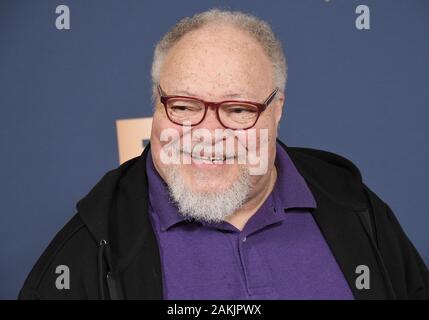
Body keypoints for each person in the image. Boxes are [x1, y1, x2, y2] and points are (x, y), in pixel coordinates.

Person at [19, 9, 428, 300]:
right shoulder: (86, 249)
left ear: (278, 109)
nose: (208, 134)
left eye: (237, 110)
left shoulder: (355, 207)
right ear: (157, 105)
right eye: (183, 106)